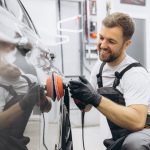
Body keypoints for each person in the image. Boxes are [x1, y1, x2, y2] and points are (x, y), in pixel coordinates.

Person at [69, 12, 150, 150]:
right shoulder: (99, 68)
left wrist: (96, 98)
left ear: (126, 44)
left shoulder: (135, 74)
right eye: (101, 38)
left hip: (144, 133)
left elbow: (137, 121)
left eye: (111, 41)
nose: (103, 45)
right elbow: (87, 107)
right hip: (120, 137)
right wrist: (80, 96)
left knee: (134, 144)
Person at [0, 40, 51, 150]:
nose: (9, 64)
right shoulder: (1, 88)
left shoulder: (30, 79)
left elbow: (46, 108)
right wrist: (24, 103)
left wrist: (43, 100)